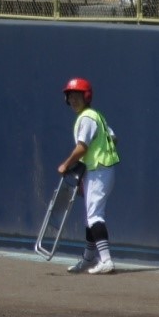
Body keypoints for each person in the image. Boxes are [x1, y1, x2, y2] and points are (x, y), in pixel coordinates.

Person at [56, 77, 121, 276]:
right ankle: (88, 258)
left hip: (99, 170)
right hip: (99, 170)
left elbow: (82, 147)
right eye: (70, 96)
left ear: (86, 97)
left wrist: (66, 164)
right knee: (90, 218)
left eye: (77, 96)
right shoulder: (96, 116)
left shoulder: (87, 118)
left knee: (95, 217)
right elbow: (113, 138)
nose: (73, 100)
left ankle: (106, 260)